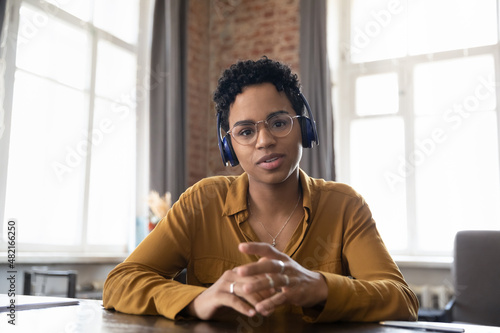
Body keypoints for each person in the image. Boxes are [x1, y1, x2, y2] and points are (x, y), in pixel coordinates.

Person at [103, 57, 419, 322]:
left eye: (279, 123)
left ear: (304, 129)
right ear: (229, 148)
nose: (264, 141)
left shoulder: (345, 206)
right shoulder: (202, 202)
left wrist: (320, 287)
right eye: (246, 131)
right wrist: (197, 300)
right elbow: (120, 282)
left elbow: (402, 300)